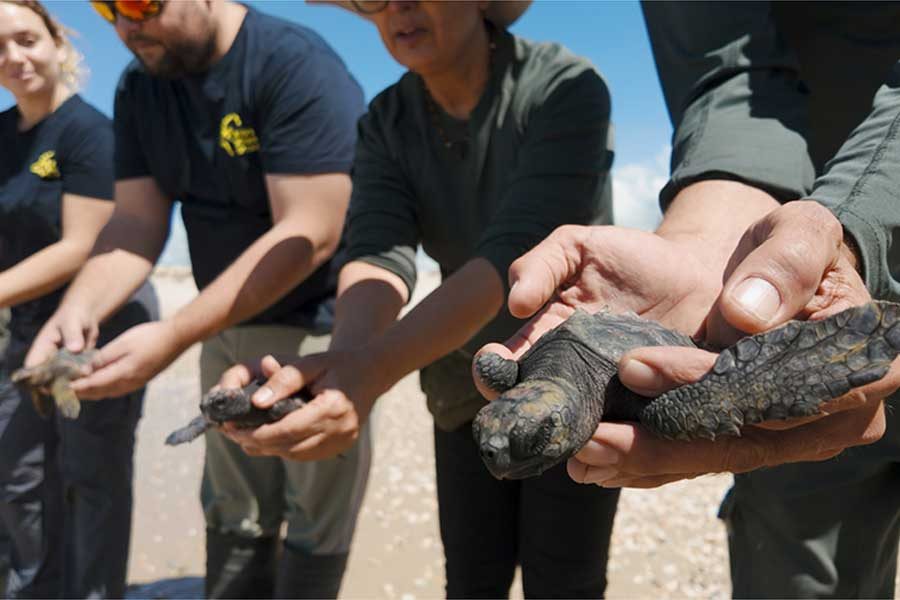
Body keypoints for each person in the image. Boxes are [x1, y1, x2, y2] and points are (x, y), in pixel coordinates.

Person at [479, 2, 900, 598]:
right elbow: (729, 75)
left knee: (699, 410)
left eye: (518, 441)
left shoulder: (646, 398)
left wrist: (846, 225)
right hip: (781, 284)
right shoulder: (531, 374)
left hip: (833, 249)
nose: (502, 460)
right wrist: (707, 240)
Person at [219, 1, 621, 596]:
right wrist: (343, 366)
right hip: (460, 381)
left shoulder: (564, 87)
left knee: (566, 581)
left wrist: (370, 371)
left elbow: (514, 254)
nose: (399, 7)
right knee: (471, 580)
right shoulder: (386, 122)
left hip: (573, 375)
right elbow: (378, 253)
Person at [26, 0, 366, 597]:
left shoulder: (292, 64)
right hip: (221, 328)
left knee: (314, 518)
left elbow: (310, 230)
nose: (125, 24)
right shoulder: (141, 86)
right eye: (105, 8)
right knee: (234, 509)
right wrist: (77, 309)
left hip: (318, 330)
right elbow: (136, 222)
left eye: (140, 3)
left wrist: (174, 332)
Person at [0, 1, 158, 597]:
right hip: (26, 328)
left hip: (99, 323)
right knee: (17, 476)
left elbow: (81, 246)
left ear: (58, 43)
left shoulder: (88, 132)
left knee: (92, 480)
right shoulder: (2, 135)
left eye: (26, 39)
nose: (14, 57)